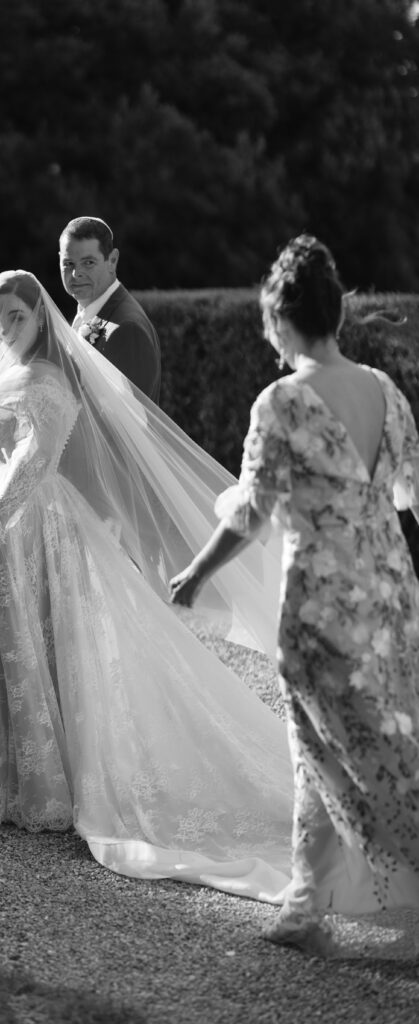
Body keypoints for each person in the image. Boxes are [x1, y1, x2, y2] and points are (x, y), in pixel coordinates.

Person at [0, 268, 294, 904]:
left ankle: (34, 782)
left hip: (22, 524)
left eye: (18, 316)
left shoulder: (49, 379)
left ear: (41, 321)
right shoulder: (0, 372)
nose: (6, 328)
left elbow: (36, 456)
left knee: (26, 642)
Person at [171, 235, 419, 955]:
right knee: (385, 736)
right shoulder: (384, 390)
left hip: (319, 601)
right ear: (336, 313)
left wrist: (194, 574)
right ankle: (306, 899)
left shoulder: (280, 401)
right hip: (389, 593)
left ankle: (310, 900)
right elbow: (410, 493)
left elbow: (250, 511)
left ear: (279, 318)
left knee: (323, 745)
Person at [59, 216, 161, 402]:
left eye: (88, 262)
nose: (76, 273)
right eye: (68, 263)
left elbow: (130, 424)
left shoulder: (128, 329)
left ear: (112, 261)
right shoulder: (89, 313)